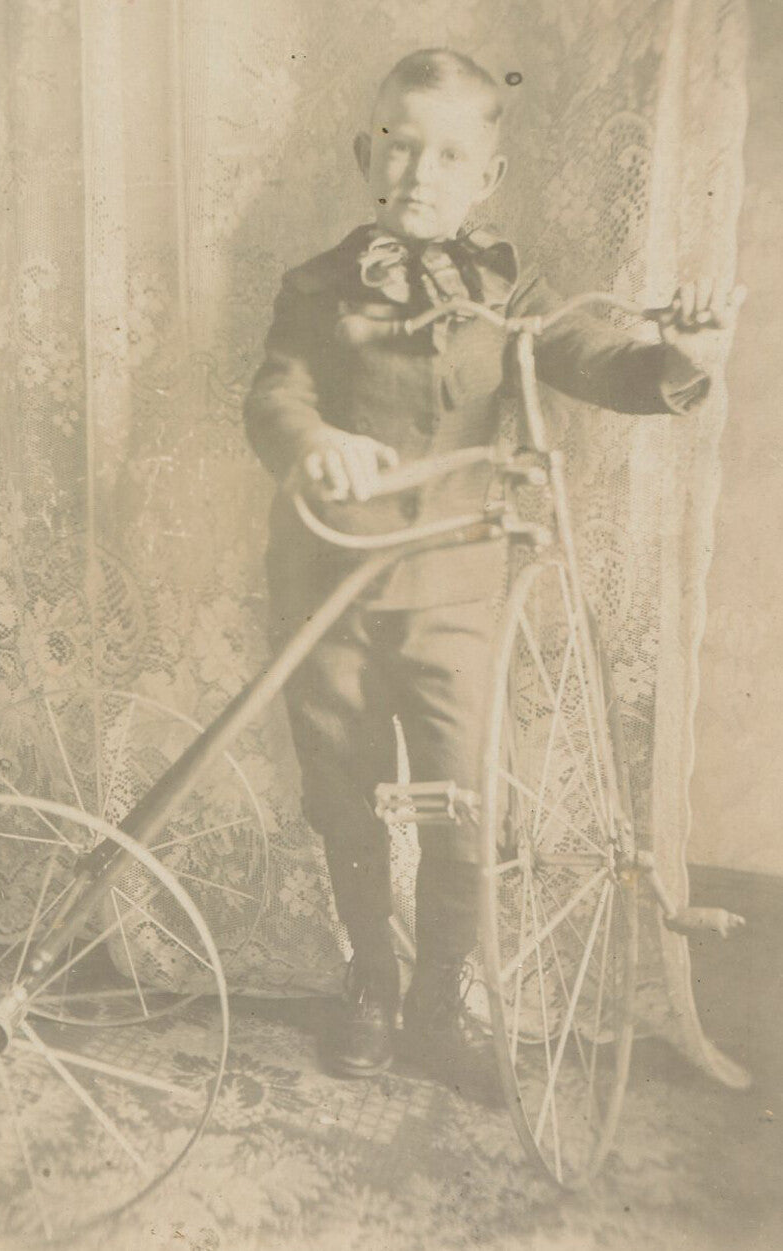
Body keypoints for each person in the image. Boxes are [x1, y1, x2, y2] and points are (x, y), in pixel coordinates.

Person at [243, 47, 734, 1093]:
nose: (419, 172)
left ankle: (438, 1007)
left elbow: (605, 362)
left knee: (459, 808)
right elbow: (274, 397)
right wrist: (312, 441)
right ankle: (371, 984)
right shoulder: (316, 287)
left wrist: (684, 358)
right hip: (329, 586)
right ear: (364, 153)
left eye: (451, 153)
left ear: (487, 180)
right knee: (344, 797)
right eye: (399, 145)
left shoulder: (512, 294)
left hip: (456, 598)